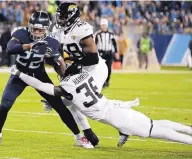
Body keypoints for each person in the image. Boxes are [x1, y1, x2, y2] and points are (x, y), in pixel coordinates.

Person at [10, 65, 192, 152]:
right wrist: (53, 103)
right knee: (154, 124)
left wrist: (19, 73)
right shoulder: (85, 77)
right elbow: (76, 100)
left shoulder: (66, 87)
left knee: (155, 131)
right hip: (114, 107)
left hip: (116, 116)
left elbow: (43, 86)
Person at [0, 11, 94, 149]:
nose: (37, 32)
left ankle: (78, 137)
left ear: (47, 29)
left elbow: (58, 64)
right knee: (5, 104)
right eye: (35, 29)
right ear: (29, 26)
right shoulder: (20, 33)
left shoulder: (52, 41)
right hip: (19, 74)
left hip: (38, 75)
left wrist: (58, 62)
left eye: (41, 29)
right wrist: (29, 46)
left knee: (59, 106)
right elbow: (9, 49)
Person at [42, 2, 129, 146]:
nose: (60, 19)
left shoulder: (81, 29)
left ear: (72, 17)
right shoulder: (60, 30)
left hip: (95, 68)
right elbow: (56, 53)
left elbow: (93, 58)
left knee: (90, 104)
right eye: (60, 16)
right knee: (75, 101)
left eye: (64, 16)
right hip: (83, 69)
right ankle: (90, 136)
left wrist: (73, 65)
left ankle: (122, 127)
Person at [94, 18, 118, 87]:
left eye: (105, 25)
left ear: (107, 26)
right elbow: (95, 45)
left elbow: (114, 43)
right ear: (101, 26)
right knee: (101, 69)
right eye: (103, 25)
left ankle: (107, 81)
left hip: (109, 53)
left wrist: (116, 52)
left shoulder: (111, 34)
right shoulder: (97, 34)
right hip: (101, 53)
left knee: (109, 69)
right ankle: (103, 82)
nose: (104, 27)